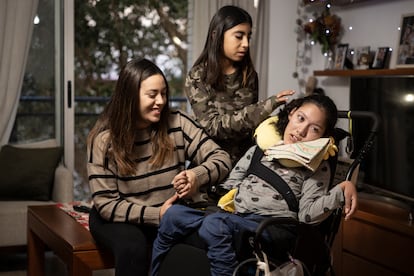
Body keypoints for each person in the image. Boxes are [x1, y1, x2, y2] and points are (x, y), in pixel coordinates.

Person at [151, 94, 358, 276]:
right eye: (300, 118)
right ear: (292, 113)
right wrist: (199, 193)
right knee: (172, 215)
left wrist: (342, 189)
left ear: (322, 138)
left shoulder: (316, 167)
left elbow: (307, 215)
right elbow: (229, 187)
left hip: (272, 229)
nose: (301, 131)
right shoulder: (260, 150)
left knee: (214, 225)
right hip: (236, 218)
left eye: (314, 129)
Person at [86, 57, 232, 276]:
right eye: (152, 95)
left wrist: (196, 175)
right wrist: (157, 215)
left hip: (171, 213)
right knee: (133, 248)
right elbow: (106, 205)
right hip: (120, 216)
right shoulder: (104, 141)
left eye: (163, 93)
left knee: (210, 240)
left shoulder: (178, 123)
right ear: (130, 97)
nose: (161, 101)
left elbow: (221, 158)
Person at [185, 5, 295, 164]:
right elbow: (214, 127)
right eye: (239, 36)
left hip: (245, 163)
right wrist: (267, 106)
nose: (246, 44)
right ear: (216, 35)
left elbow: (250, 126)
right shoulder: (198, 76)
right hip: (211, 163)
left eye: (248, 37)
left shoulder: (249, 75)